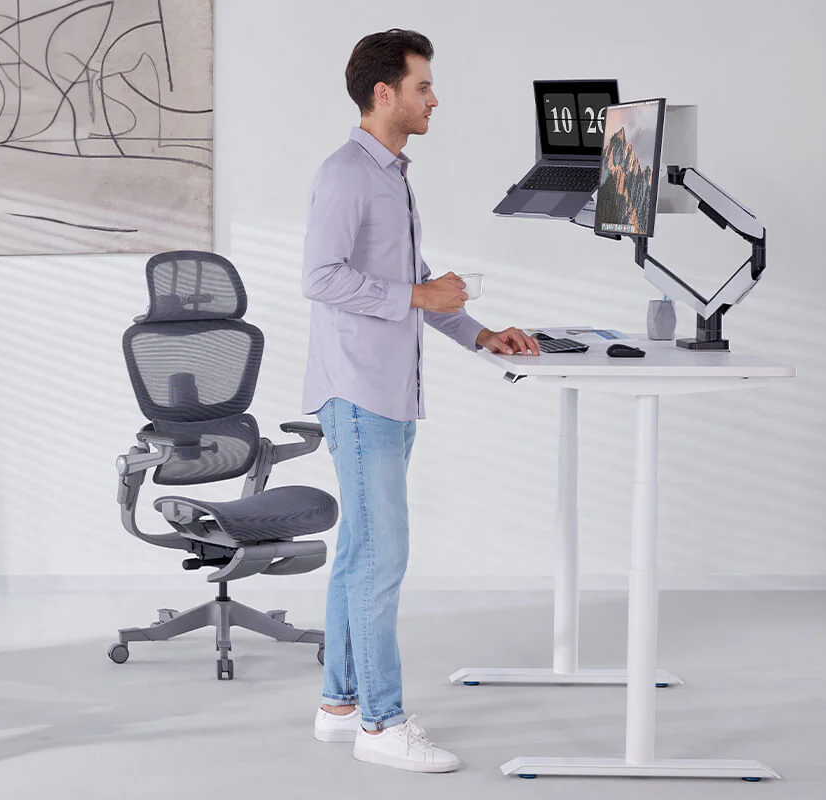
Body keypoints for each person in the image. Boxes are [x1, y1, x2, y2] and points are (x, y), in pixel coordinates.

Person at [299, 28, 538, 773]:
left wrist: (479, 333)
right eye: (423, 86)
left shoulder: (393, 175)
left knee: (359, 556)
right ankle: (382, 724)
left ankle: (341, 706)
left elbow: (419, 281)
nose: (434, 98)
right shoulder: (346, 174)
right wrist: (414, 293)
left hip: (389, 394)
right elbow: (322, 277)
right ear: (385, 93)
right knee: (381, 559)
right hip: (360, 394)